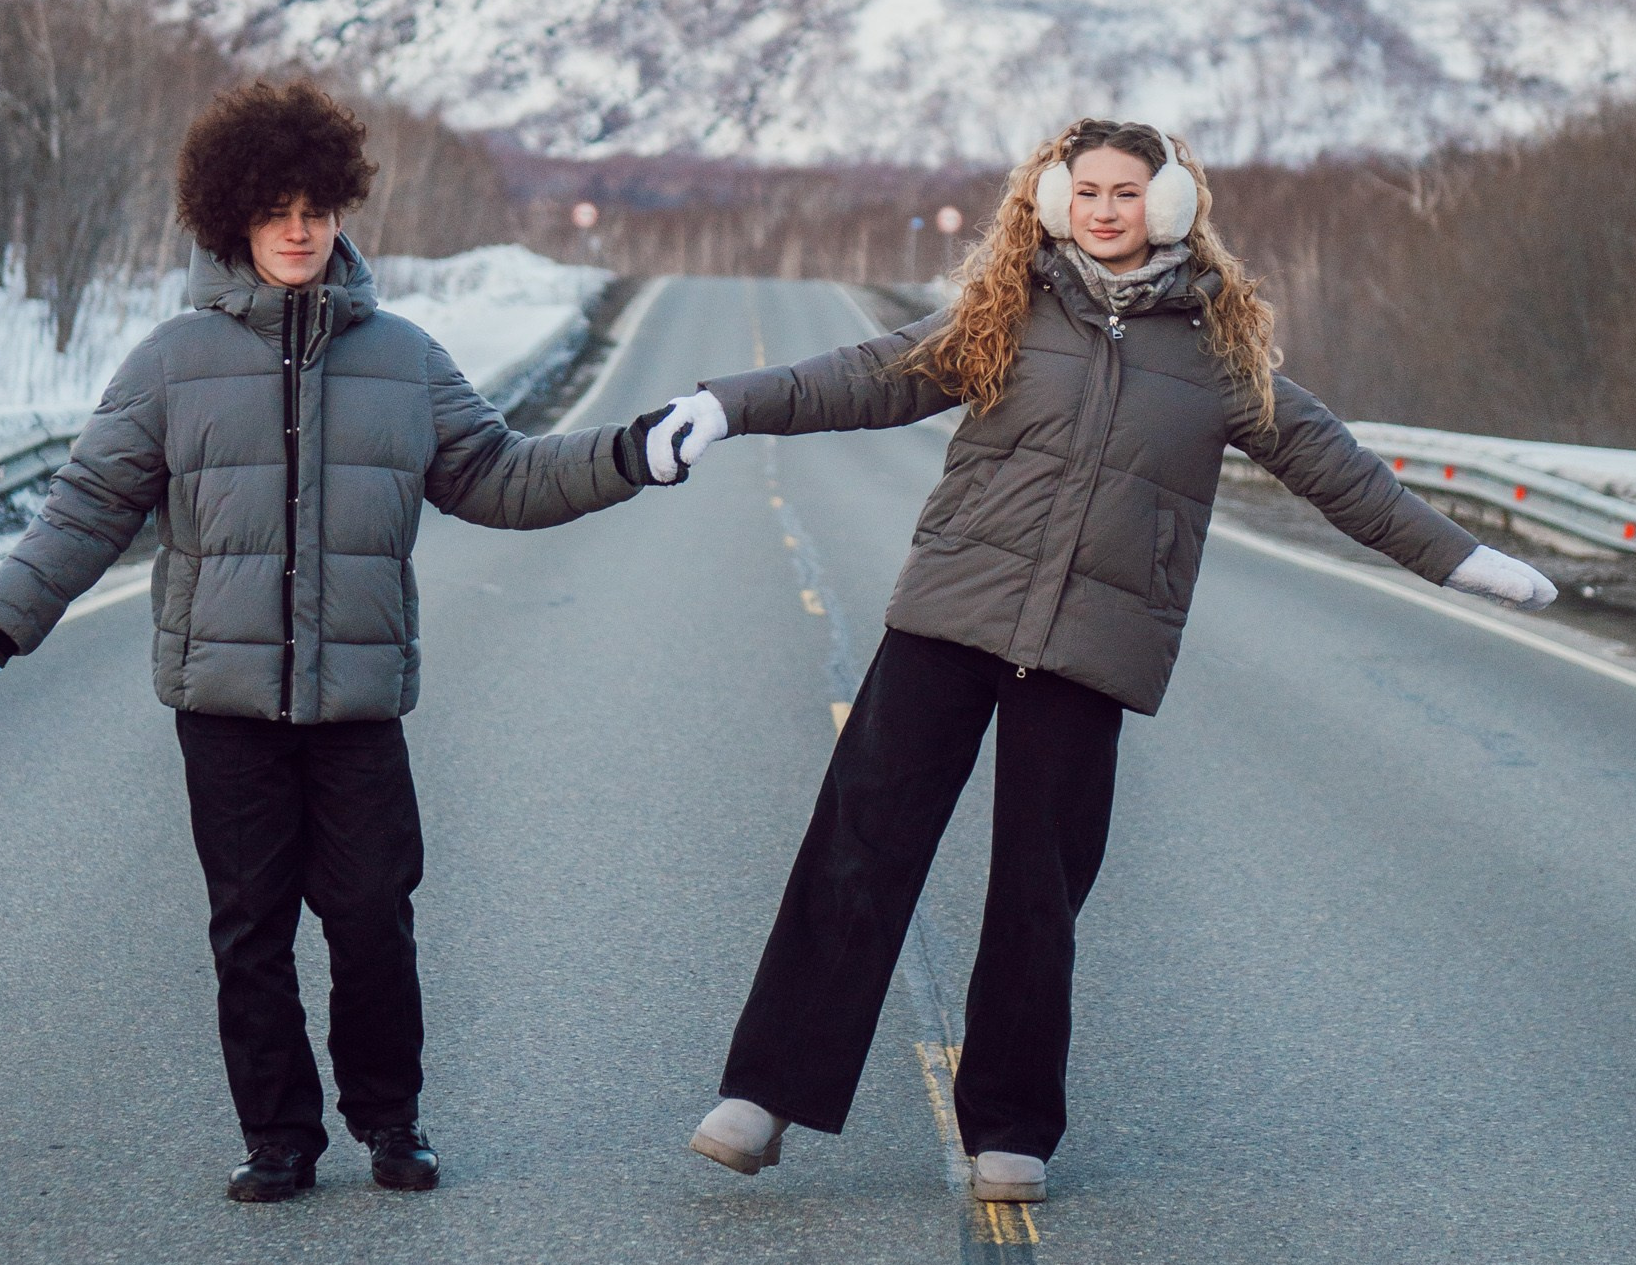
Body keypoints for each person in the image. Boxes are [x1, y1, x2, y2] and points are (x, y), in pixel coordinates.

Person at [634, 120, 1556, 1205]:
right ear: (1053, 199)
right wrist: (726, 406)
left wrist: (1457, 561)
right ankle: (763, 1096)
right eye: (1089, 189)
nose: (1107, 208)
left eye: (1128, 191)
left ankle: (1009, 1130)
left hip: (1088, 647)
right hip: (950, 617)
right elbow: (863, 377)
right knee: (860, 847)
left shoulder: (1220, 355)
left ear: (1170, 207)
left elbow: (1334, 469)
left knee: (1039, 893)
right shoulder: (1002, 315)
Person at [0, 77, 666, 1202]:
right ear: (232, 217)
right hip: (223, 709)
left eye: (315, 207)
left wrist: (629, 455)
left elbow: (501, 475)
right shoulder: (170, 365)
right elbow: (81, 516)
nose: (296, 229)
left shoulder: (406, 359)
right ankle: (278, 1137)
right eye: (274, 208)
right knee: (250, 933)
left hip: (356, 705)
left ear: (341, 211)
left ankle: (392, 1122)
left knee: (373, 918)